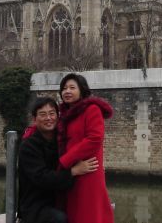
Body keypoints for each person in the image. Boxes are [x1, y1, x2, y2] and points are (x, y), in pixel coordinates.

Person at [18, 97, 98, 223]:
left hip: (60, 198)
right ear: (34, 119)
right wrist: (73, 171)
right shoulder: (28, 146)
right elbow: (42, 178)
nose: (48, 118)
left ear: (58, 116)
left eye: (52, 113)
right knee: (59, 219)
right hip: (36, 205)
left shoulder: (61, 140)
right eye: (43, 114)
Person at [58, 73, 114, 223]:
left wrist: (65, 160)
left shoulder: (91, 109)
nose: (67, 91)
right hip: (74, 170)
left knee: (87, 213)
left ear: (82, 90)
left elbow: (94, 138)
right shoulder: (66, 114)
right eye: (64, 88)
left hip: (88, 170)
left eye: (72, 87)